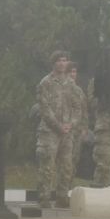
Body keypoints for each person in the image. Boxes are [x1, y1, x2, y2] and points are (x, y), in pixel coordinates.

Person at [37, 51, 77, 208]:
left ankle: (62, 197)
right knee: (47, 166)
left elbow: (77, 107)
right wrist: (58, 126)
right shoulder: (45, 83)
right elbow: (45, 109)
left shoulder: (71, 84)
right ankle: (44, 197)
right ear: (53, 63)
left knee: (67, 166)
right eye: (59, 60)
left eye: (65, 60)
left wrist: (71, 124)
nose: (62, 63)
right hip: (49, 131)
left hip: (67, 132)